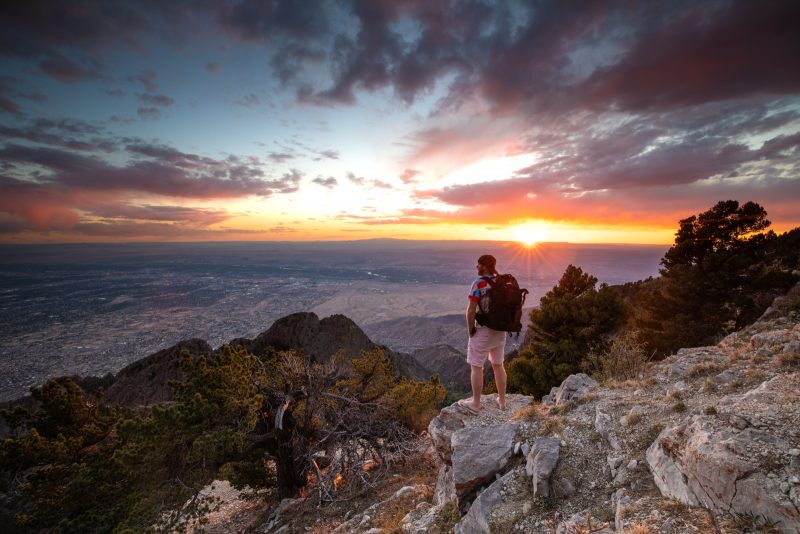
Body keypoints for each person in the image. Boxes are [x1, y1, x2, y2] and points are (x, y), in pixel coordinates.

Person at [460, 254, 507, 413]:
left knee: (476, 367)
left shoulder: (479, 283)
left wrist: (470, 329)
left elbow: (471, 310)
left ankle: (476, 404)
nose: (476, 267)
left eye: (478, 265)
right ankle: (502, 402)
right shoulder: (502, 281)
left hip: (483, 330)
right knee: (498, 365)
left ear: (485, 266)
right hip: (500, 330)